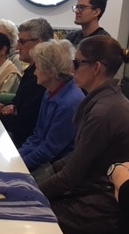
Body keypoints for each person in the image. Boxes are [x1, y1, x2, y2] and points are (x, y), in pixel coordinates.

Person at [38, 35, 129, 234]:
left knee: (23, 212)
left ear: (96, 68)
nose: (72, 69)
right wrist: (37, 177)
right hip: (91, 195)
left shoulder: (104, 112)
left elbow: (70, 177)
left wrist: (30, 190)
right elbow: (73, 160)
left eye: (77, 63)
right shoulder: (107, 101)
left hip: (98, 208)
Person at [18, 39, 84, 173]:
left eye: (37, 67)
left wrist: (18, 165)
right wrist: (16, 157)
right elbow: (37, 136)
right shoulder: (50, 91)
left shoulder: (69, 103)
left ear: (50, 71)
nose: (35, 72)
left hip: (56, 170)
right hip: (43, 162)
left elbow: (50, 149)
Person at [0, 17, 53, 147]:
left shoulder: (42, 78)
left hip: (23, 145)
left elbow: (23, 125)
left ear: (39, 44)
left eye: (22, 42)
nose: (17, 47)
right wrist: (9, 108)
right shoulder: (31, 70)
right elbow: (18, 105)